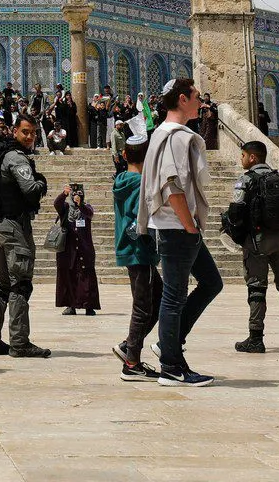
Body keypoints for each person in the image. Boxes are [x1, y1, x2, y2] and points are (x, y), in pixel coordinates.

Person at [137, 78, 222, 387]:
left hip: (178, 226)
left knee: (212, 282)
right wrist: (189, 224)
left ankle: (169, 343)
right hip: (177, 226)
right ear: (183, 99)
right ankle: (171, 366)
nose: (202, 103)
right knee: (174, 295)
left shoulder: (165, 133)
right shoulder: (174, 137)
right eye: (197, 97)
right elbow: (172, 185)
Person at [224, 141, 279, 354]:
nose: (241, 159)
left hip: (257, 242)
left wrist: (234, 232)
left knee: (256, 290)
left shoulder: (246, 180)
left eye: (243, 155)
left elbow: (235, 213)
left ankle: (256, 338)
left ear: (252, 157)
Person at [0, 113, 51, 358]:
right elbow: (31, 190)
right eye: (25, 132)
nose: (30, 137)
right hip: (13, 228)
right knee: (20, 285)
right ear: (14, 131)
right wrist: (42, 182)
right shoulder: (16, 158)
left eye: (33, 132)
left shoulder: (0, 154)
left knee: (1, 287)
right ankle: (19, 343)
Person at [111, 135, 161, 380]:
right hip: (141, 251)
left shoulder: (121, 180)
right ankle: (131, 362)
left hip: (129, 250)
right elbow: (137, 220)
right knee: (143, 306)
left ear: (123, 156)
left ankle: (127, 346)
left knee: (159, 298)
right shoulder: (141, 184)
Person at [54, 185, 100, 316]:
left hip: (85, 249)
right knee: (69, 277)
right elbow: (57, 204)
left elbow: (89, 214)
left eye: (79, 194)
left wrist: (80, 205)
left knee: (87, 279)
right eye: (74, 194)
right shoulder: (66, 208)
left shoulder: (86, 208)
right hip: (68, 250)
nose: (76, 196)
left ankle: (89, 306)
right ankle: (71, 306)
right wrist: (63, 193)